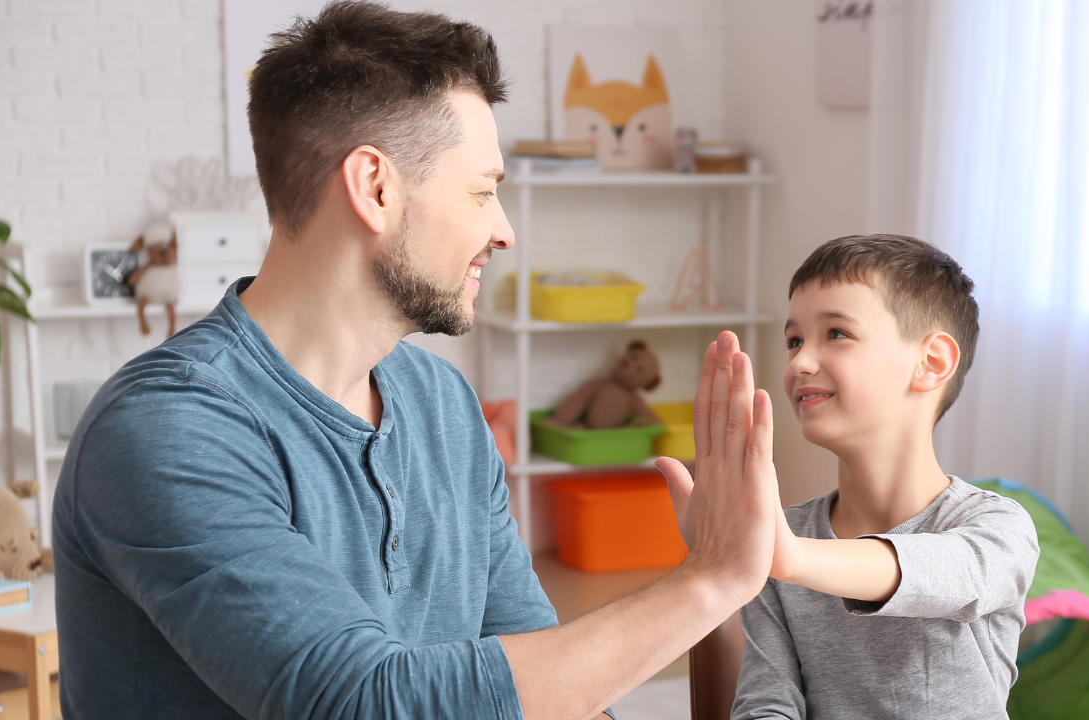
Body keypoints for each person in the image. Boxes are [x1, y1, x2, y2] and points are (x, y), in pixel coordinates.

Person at [52, 3, 778, 718]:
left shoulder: (443, 405)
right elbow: (362, 702)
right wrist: (708, 582)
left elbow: (541, 680)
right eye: (483, 192)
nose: (504, 231)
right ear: (374, 187)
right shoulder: (166, 427)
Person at [716, 234, 1041, 719]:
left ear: (931, 363)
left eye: (837, 334)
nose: (799, 363)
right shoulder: (784, 542)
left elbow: (945, 574)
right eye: (794, 341)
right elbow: (768, 702)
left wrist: (788, 556)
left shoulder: (998, 528)